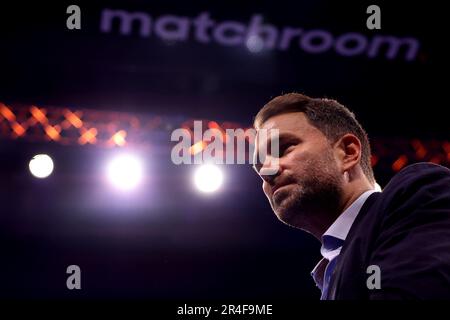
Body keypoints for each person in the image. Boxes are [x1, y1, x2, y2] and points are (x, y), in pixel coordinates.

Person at [252, 93, 450, 299]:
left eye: (284, 148)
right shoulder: (333, 271)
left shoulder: (417, 193)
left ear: (347, 152)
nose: (266, 171)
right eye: (259, 167)